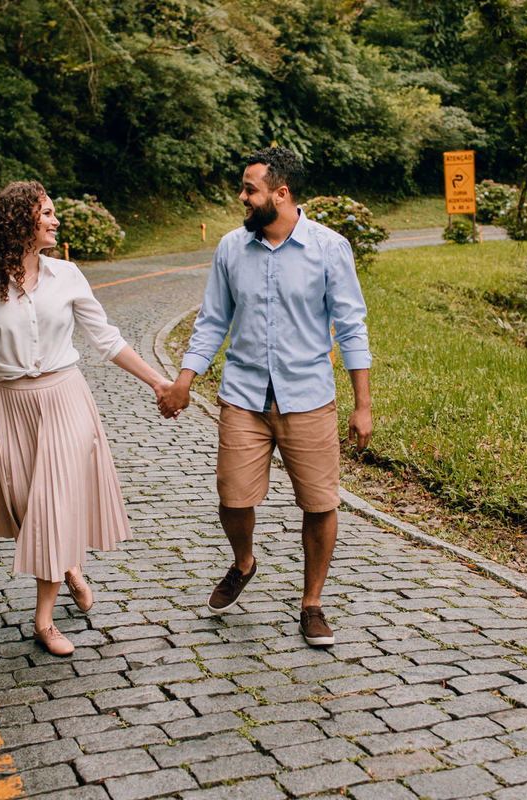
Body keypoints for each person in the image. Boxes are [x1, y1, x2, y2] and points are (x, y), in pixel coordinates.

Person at [0, 181, 171, 656]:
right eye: (45, 212)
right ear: (18, 220)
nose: (55, 220)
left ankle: (43, 621)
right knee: (28, 508)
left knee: (49, 505)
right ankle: (67, 567)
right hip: (6, 405)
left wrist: (158, 382)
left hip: (64, 398)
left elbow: (106, 339)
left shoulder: (67, 275)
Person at [158, 147, 372, 647]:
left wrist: (362, 406)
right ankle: (244, 561)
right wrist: (184, 381)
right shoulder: (232, 249)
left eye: (250, 189)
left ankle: (311, 604)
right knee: (233, 499)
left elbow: (352, 327)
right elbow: (212, 321)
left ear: (281, 194)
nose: (242, 197)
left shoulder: (329, 248)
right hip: (244, 396)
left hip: (309, 397)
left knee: (319, 504)